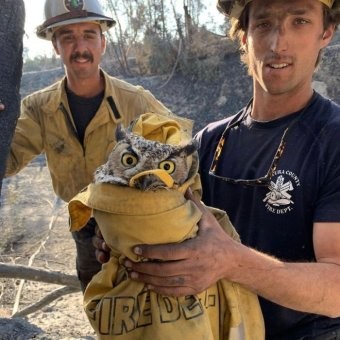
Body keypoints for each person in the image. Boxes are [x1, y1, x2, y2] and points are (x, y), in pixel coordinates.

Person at [93, 0, 340, 338]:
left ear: (326, 32)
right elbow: (180, 229)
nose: (277, 43)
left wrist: (232, 262)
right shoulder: (210, 140)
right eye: (263, 24)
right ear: (243, 37)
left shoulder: (332, 139)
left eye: (299, 21)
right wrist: (131, 237)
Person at [3, 0, 172, 292]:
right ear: (55, 46)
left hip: (136, 230)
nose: (79, 46)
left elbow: (181, 153)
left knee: (147, 309)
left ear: (103, 43)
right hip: (83, 229)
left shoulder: (136, 102)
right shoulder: (38, 109)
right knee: (98, 305)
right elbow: (8, 159)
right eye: (67, 37)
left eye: (89, 35)